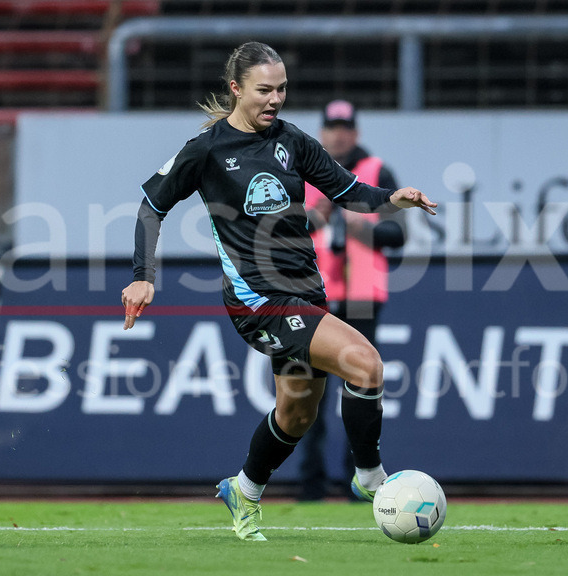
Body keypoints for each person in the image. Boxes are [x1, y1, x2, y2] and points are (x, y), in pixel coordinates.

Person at [120, 41, 437, 542]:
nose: (275, 98)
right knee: (366, 363)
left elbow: (349, 191)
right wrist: (143, 274)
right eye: (264, 89)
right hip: (258, 302)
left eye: (282, 88)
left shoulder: (293, 141)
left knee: (296, 414)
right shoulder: (206, 149)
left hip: (306, 295)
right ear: (235, 89)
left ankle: (243, 491)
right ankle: (371, 477)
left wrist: (393, 200)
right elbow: (149, 206)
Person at [297, 99, 406, 501]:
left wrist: (361, 229)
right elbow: (282, 231)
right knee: (308, 392)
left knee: (358, 389)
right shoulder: (305, 171)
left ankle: (355, 482)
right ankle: (309, 484)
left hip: (361, 297)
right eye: (331, 126)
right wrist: (317, 217)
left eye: (345, 126)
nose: (338, 133)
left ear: (356, 132)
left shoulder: (376, 171)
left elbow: (399, 236)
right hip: (315, 296)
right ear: (322, 131)